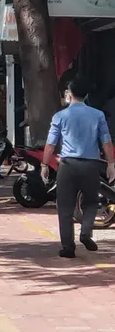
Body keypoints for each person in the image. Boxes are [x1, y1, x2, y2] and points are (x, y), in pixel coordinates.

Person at [42, 77, 115, 258]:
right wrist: (111, 164)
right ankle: (85, 232)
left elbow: (50, 144)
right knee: (91, 202)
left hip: (67, 165)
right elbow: (106, 142)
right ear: (87, 95)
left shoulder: (60, 116)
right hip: (91, 165)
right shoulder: (98, 115)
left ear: (69, 94)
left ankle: (68, 247)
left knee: (65, 207)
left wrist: (44, 164)